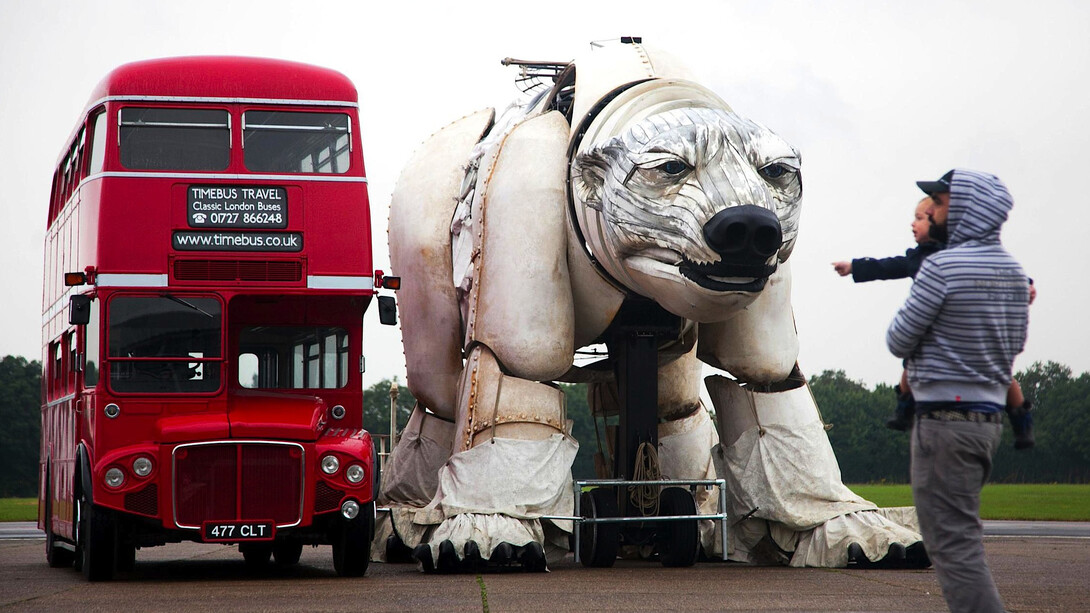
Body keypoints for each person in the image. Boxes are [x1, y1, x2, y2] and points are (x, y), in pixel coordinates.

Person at [887, 169, 1030, 613]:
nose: (935, 210)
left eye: (942, 202)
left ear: (966, 210)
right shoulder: (1014, 272)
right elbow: (1017, 346)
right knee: (960, 539)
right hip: (987, 420)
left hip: (943, 424)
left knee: (954, 546)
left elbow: (898, 339)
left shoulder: (941, 267)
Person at [833, 196, 1035, 437]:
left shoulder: (957, 254)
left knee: (1004, 374)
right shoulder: (917, 257)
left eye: (919, 218)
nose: (913, 224)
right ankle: (904, 410)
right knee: (909, 369)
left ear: (939, 221)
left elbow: (995, 270)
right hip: (935, 337)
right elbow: (887, 267)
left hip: (967, 327)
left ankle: (1021, 421)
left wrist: (1025, 283)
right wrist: (854, 266)